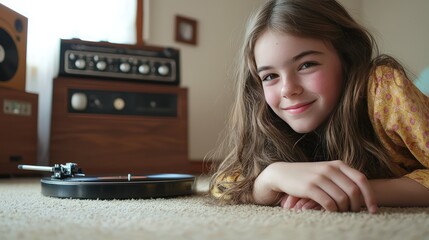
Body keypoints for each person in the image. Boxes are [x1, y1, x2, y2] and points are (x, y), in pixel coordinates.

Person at [208, 0, 429, 213]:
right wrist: (271, 178)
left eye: (306, 65)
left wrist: (353, 191)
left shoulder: (383, 88)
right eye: (270, 76)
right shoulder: (267, 116)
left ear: (346, 57)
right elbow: (223, 184)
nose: (287, 89)